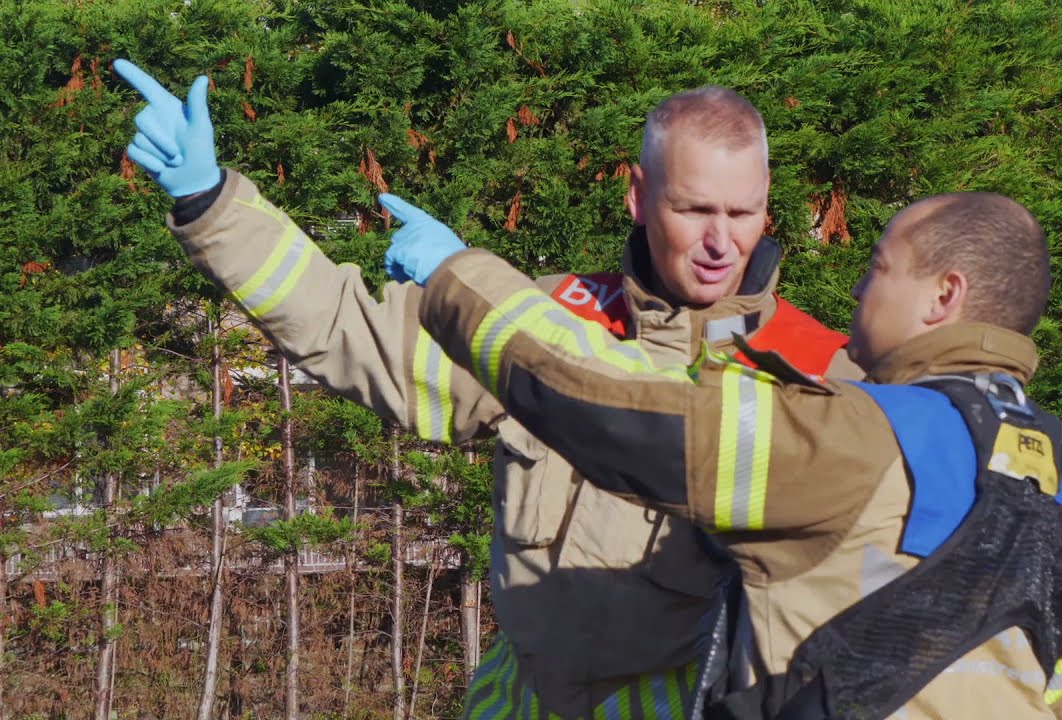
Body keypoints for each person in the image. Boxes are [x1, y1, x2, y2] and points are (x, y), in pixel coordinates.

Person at [112, 59, 858, 720]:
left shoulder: (818, 373)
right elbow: (352, 332)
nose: (721, 242)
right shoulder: (546, 318)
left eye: (742, 212)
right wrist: (212, 206)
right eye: (694, 209)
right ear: (637, 195)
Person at [382, 190, 1062, 719]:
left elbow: (613, 417)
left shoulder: (858, 436)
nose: (860, 289)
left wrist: (456, 276)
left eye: (878, 267)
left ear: (944, 297)